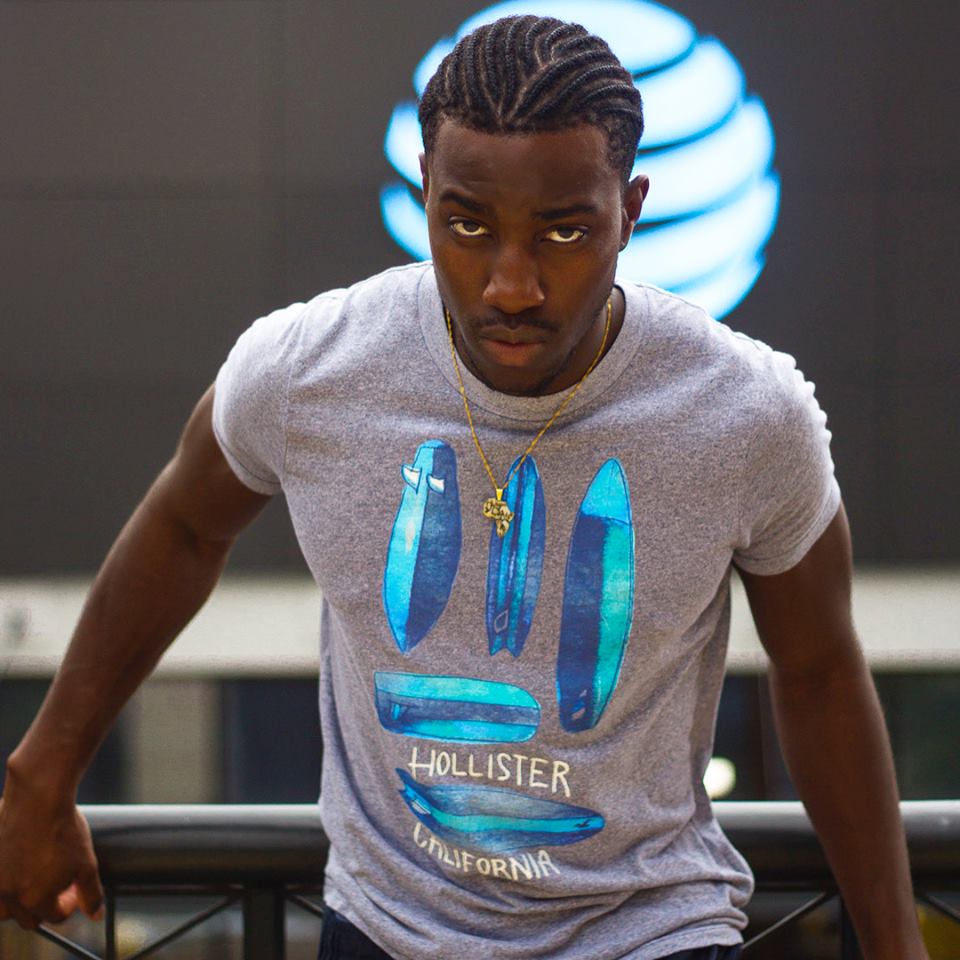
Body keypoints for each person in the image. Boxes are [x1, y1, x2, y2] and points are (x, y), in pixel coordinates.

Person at [0, 15, 929, 960]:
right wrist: (44, 772)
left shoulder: (747, 413)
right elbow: (185, 528)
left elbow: (819, 673)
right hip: (386, 932)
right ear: (425, 195)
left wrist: (897, 947)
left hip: (651, 933)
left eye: (565, 230)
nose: (511, 286)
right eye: (469, 225)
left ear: (631, 210)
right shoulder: (306, 370)